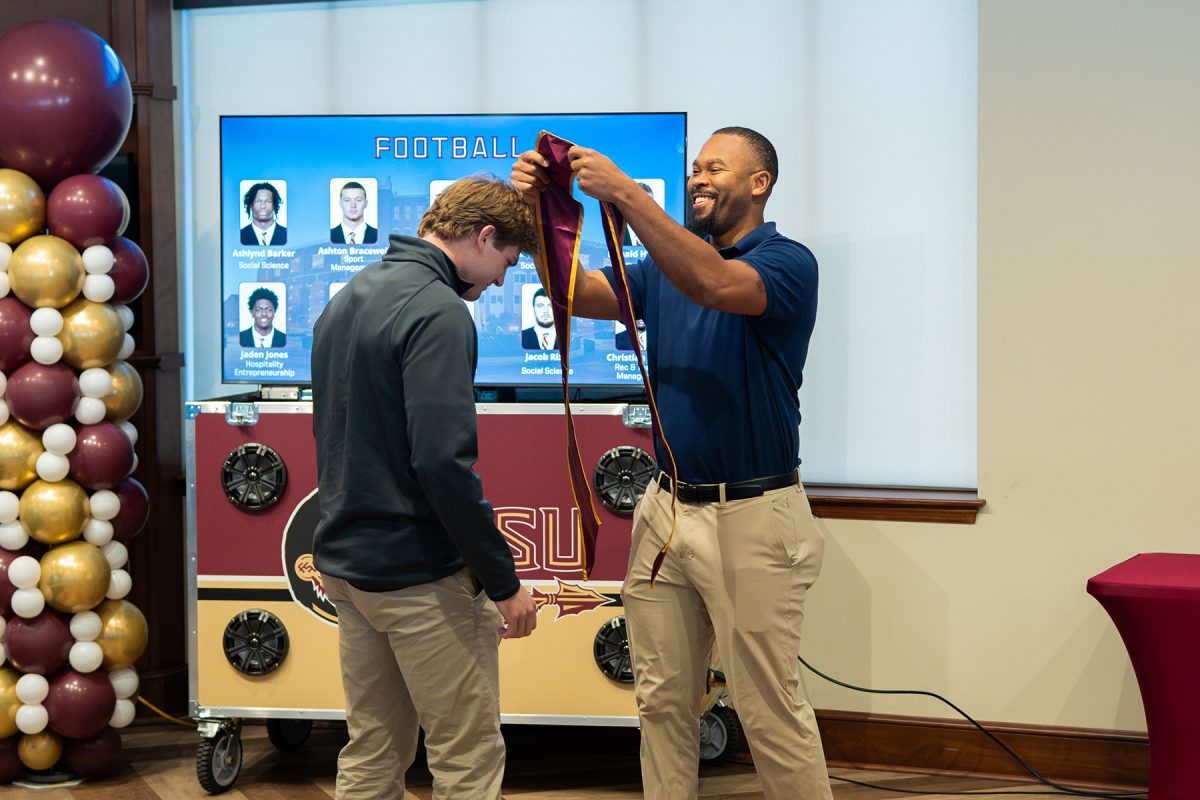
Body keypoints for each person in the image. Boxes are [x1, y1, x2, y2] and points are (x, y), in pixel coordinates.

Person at [512, 127, 830, 800]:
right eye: (693, 169)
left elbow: (714, 283)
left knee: (768, 711)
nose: (697, 178)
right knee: (660, 704)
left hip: (754, 515)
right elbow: (572, 294)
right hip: (666, 510)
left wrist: (626, 195)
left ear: (759, 183)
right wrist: (544, 216)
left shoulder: (786, 263)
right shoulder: (662, 270)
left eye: (715, 168)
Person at [310, 176, 539, 800]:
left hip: (347, 567)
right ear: (483, 236)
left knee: (372, 750)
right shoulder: (439, 309)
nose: (499, 282)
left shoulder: (348, 294)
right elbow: (442, 464)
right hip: (418, 576)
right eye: (507, 264)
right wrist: (504, 582)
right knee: (466, 759)